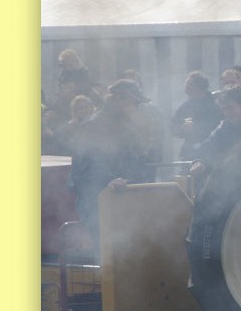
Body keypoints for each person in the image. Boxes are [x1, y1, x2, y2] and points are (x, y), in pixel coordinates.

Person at [67, 79, 155, 246]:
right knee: (106, 252)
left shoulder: (128, 129)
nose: (135, 109)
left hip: (124, 201)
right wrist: (108, 182)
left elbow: (137, 164)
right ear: (118, 100)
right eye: (132, 104)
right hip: (97, 202)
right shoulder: (91, 127)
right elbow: (89, 167)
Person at [171, 71, 222, 161]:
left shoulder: (214, 106)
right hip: (189, 153)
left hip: (211, 152)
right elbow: (174, 127)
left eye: (189, 84)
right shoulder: (185, 107)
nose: (186, 87)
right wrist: (182, 128)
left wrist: (197, 129)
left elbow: (218, 127)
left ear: (199, 87)